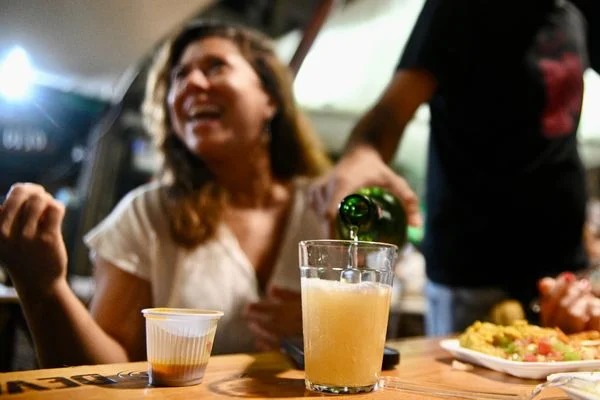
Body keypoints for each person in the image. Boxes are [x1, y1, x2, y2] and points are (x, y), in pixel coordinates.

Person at [0, 20, 331, 368]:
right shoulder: (147, 214)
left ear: (271, 98)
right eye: (179, 76)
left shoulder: (325, 206)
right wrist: (45, 288)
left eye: (215, 66)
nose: (192, 83)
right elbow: (107, 372)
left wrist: (326, 325)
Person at [310, 0, 599, 335]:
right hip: (473, 269)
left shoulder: (575, 11)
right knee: (467, 383)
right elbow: (390, 112)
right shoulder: (459, 9)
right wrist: (362, 154)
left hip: (563, 266)